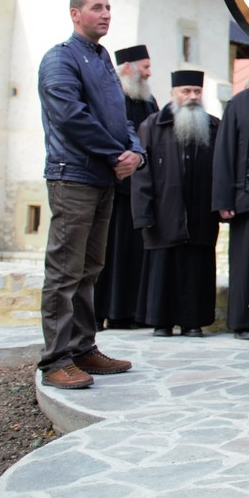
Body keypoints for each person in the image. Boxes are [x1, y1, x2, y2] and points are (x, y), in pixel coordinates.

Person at [36, 0, 142, 389]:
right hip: (73, 176)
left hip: (102, 177)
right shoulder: (60, 59)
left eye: (109, 7)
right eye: (97, 7)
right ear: (75, 14)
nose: (106, 14)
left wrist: (136, 152)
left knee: (89, 269)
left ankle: (82, 349)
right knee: (65, 271)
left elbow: (121, 118)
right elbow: (69, 116)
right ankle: (55, 360)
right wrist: (116, 154)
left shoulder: (101, 59)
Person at [131, 71, 221, 337]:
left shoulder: (214, 126)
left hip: (201, 214)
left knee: (196, 269)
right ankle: (162, 322)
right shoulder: (151, 126)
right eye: (186, 91)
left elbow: (222, 169)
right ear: (173, 94)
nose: (192, 96)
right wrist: (143, 213)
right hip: (163, 214)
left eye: (197, 91)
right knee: (164, 269)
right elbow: (141, 174)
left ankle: (194, 322)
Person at [93, 44, 159, 330]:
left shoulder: (149, 102)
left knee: (131, 255)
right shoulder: (109, 98)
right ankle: (96, 313)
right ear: (128, 68)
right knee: (104, 253)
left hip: (139, 192)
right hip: (112, 186)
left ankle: (125, 314)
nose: (149, 72)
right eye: (145, 67)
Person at [211, 63, 249, 342]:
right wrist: (223, 199)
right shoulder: (239, 103)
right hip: (245, 196)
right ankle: (243, 321)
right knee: (245, 262)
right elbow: (224, 152)